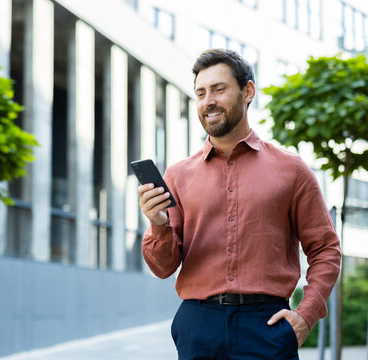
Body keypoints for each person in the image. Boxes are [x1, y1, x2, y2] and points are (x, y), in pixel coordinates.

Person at [137, 49, 341, 360]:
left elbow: (326, 248)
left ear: (248, 92)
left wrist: (306, 315)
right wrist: (159, 223)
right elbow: (163, 268)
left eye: (219, 89)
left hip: (267, 326)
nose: (208, 101)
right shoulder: (178, 175)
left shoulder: (292, 170)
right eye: (201, 93)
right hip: (198, 327)